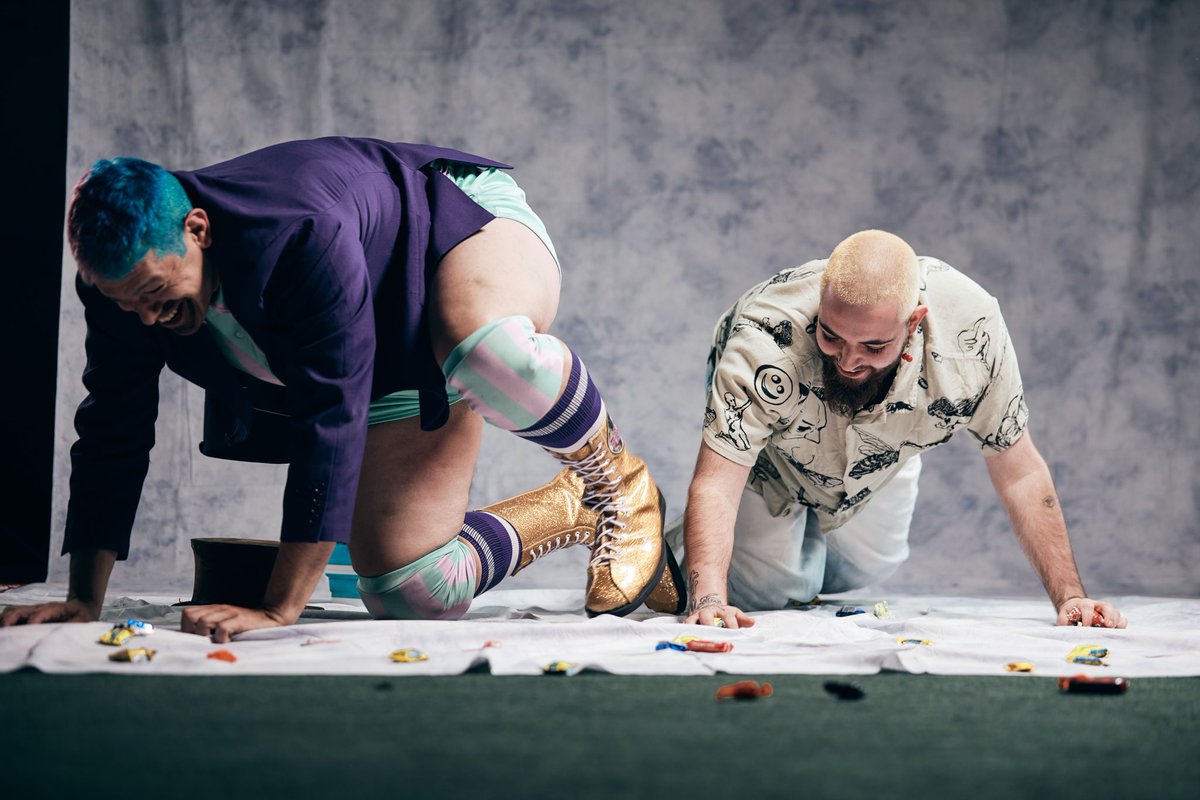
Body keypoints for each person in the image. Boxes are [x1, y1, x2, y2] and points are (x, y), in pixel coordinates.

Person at [0, 137, 677, 641]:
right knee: (408, 593)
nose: (146, 319)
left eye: (155, 294)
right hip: (388, 345)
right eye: (123, 303)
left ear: (198, 229)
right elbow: (113, 428)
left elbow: (331, 416)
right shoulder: (119, 289)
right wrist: (84, 600)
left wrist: (278, 608)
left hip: (455, 227)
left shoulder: (299, 235)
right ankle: (567, 510)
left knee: (489, 352)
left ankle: (615, 483)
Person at [674, 229, 1126, 629]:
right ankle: (678, 545)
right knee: (773, 592)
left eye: (873, 345)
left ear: (914, 323)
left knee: (871, 565)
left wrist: (1071, 597)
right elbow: (716, 482)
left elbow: (1021, 471)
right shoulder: (765, 337)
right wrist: (708, 598)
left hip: (884, 453)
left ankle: (789, 555)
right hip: (773, 465)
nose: (849, 361)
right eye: (831, 337)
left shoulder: (974, 334)